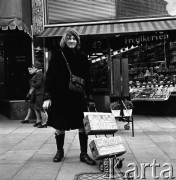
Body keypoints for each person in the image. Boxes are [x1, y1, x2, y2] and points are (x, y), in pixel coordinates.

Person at [42, 28, 96, 165]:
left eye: (74, 39)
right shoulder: (58, 55)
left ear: (77, 41)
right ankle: (59, 151)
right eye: (69, 38)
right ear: (64, 40)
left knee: (82, 126)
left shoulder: (82, 56)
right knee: (59, 125)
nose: (71, 41)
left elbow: (88, 78)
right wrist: (47, 96)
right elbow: (50, 77)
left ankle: (83, 154)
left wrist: (90, 97)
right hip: (60, 97)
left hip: (78, 97)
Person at [21, 61, 46, 128]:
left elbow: (38, 83)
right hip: (38, 93)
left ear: (36, 68)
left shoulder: (39, 74)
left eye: (34, 67)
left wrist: (32, 84)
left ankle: (44, 123)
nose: (33, 69)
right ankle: (39, 122)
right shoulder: (39, 74)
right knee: (37, 107)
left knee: (40, 108)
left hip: (40, 93)